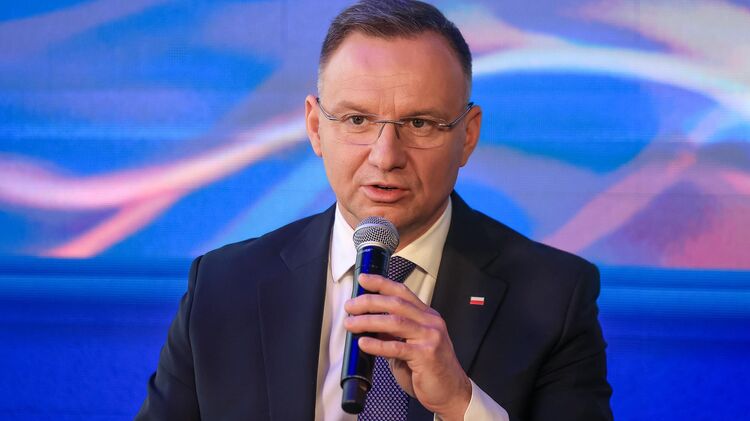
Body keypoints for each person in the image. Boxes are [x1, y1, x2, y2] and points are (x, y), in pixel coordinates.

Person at [136, 1, 613, 420]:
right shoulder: (223, 287)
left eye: (419, 123)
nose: (386, 156)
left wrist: (460, 403)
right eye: (358, 119)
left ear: (467, 135)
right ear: (315, 127)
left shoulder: (553, 297)